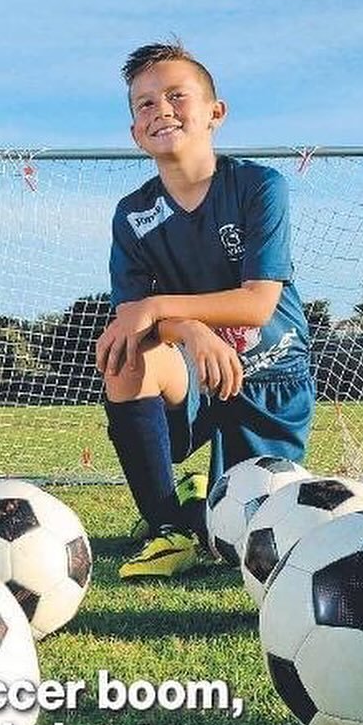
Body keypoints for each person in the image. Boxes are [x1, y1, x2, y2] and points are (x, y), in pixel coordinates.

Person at [95, 41, 314, 579]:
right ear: (134, 132)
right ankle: (167, 528)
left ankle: (199, 504)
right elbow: (134, 319)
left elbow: (258, 303)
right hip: (193, 375)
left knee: (252, 536)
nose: (161, 110)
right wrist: (189, 329)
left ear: (215, 113)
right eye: (144, 104)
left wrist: (162, 305)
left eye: (176, 96)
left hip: (268, 377)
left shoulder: (259, 186)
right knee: (125, 354)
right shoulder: (133, 214)